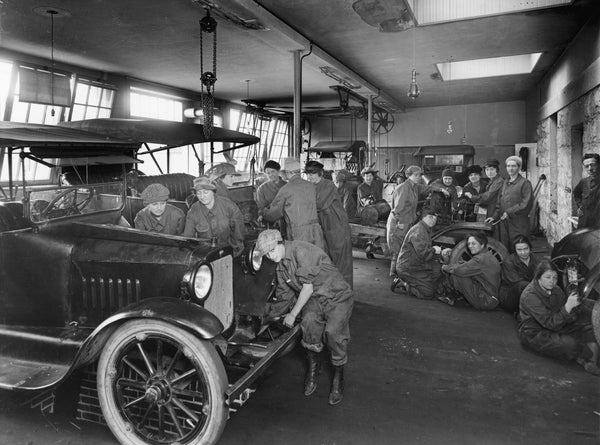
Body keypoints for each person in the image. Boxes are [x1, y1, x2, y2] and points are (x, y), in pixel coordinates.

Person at [254, 229, 354, 405]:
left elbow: (306, 289)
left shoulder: (301, 251)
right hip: (315, 299)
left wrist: (292, 314)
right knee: (308, 325)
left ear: (280, 243)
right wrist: (262, 317)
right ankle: (314, 368)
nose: (270, 256)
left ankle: (338, 375)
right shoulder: (281, 268)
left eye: (271, 250)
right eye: (266, 254)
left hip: (337, 296)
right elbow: (284, 298)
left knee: (333, 334)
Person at [518, 260, 600, 375]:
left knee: (590, 329)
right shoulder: (529, 296)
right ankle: (580, 356)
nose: (552, 281)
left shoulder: (556, 290)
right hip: (535, 331)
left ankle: (591, 362)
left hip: (557, 322)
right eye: (548, 277)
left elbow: (565, 315)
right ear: (538, 278)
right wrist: (567, 307)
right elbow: (549, 323)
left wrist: (573, 311)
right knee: (570, 344)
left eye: (555, 277)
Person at [387, 165, 443, 278]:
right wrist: (401, 224)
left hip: (408, 221)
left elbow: (426, 188)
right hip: (399, 222)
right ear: (409, 175)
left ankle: (400, 273)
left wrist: (441, 189)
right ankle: (394, 274)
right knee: (398, 250)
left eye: (420, 175)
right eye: (416, 175)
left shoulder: (414, 186)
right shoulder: (403, 188)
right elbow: (398, 209)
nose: (419, 177)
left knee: (404, 248)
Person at [305, 161, 354, 287]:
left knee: (342, 263)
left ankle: (345, 293)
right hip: (326, 227)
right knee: (329, 261)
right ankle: (334, 292)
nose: (310, 177)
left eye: (313, 174)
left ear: (320, 173)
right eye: (307, 174)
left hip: (337, 227)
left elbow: (320, 204)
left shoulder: (328, 185)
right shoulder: (310, 186)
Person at [262, 158, 325, 250]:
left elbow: (273, 214)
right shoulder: (311, 186)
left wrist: (264, 213)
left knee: (301, 259)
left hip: (299, 232)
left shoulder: (286, 189)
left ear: (288, 173)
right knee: (316, 258)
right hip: (315, 230)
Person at [183, 176, 245, 256]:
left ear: (213, 191)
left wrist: (235, 255)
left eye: (205, 192)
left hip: (228, 252)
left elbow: (238, 234)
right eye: (199, 193)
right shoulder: (193, 211)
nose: (202, 197)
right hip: (205, 255)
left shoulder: (229, 206)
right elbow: (188, 239)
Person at [440, 232, 501, 310]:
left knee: (457, 274)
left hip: (485, 300)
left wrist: (444, 266)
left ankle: (451, 296)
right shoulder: (488, 256)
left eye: (473, 243)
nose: (470, 246)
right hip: (492, 299)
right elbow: (468, 267)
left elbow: (459, 271)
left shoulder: (480, 259)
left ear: (482, 245)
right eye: (469, 244)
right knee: (461, 269)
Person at [392, 207, 443, 299]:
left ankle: (422, 283)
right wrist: (435, 250)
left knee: (438, 271)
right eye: (430, 217)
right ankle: (404, 284)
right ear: (423, 217)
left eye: (435, 218)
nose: (433, 220)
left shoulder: (425, 229)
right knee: (428, 293)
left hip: (417, 264)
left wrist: (441, 252)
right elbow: (423, 253)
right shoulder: (418, 230)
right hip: (408, 268)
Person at [487, 156, 533, 251]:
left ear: (519, 168)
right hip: (504, 223)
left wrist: (508, 212)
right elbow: (499, 203)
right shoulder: (505, 183)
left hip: (518, 224)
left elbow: (526, 204)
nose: (510, 168)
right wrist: (494, 216)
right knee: (505, 249)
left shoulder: (525, 183)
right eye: (508, 166)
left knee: (519, 248)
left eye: (513, 166)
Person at [498, 235, 540, 313]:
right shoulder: (509, 262)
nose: (523, 252)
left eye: (525, 249)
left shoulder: (535, 259)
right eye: (519, 250)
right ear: (515, 250)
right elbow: (517, 282)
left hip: (531, 292)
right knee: (522, 285)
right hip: (510, 296)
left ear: (530, 248)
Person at [573, 153, 600, 229]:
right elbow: (576, 193)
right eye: (586, 166)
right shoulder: (584, 182)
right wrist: (580, 206)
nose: (590, 169)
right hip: (585, 219)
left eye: (593, 165)